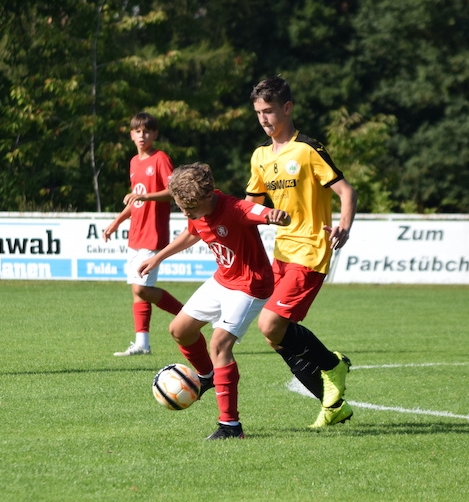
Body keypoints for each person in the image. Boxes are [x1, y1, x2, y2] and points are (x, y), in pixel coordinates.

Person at [138, 163, 290, 440]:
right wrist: (158, 257)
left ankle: (230, 426)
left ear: (208, 196)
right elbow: (192, 232)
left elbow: (261, 212)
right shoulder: (195, 209)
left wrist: (275, 215)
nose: (186, 213)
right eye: (182, 208)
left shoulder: (234, 209)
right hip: (223, 279)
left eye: (189, 209)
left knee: (219, 344)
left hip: (250, 285)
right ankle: (207, 376)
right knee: (179, 330)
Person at [245, 76, 358, 429]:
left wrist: (343, 226)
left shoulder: (308, 149)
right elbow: (251, 206)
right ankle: (333, 406)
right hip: (281, 253)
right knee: (274, 335)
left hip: (311, 249)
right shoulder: (260, 156)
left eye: (269, 111)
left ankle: (332, 365)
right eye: (258, 112)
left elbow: (347, 191)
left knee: (269, 323)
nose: (263, 118)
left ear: (288, 108)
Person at [103, 112, 183, 356]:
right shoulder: (134, 162)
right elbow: (135, 200)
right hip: (135, 235)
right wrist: (117, 222)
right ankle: (142, 344)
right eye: (138, 131)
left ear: (155, 134)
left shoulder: (160, 159)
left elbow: (173, 191)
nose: (142, 135)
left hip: (153, 234)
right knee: (137, 290)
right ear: (131, 135)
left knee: (141, 288)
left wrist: (146, 196)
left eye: (147, 131)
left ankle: (190, 315)